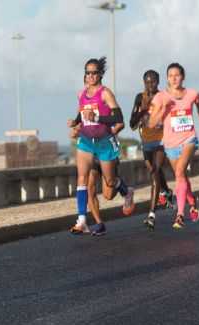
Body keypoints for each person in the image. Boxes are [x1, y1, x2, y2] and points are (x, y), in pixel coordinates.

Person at [68, 57, 135, 235]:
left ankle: (126, 191)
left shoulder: (106, 94)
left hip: (105, 143)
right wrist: (75, 125)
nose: (90, 76)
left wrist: (97, 119)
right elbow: (81, 116)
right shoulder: (80, 94)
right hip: (86, 142)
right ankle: (82, 220)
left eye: (94, 73)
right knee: (83, 180)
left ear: (100, 74)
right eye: (87, 73)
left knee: (109, 185)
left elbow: (119, 119)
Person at [148, 63, 199, 229]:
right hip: (170, 144)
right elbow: (152, 123)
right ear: (167, 78)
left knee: (180, 172)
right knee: (181, 177)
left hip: (189, 139)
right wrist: (163, 109)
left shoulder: (192, 93)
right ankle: (192, 201)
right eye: (170, 75)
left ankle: (180, 215)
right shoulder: (160, 97)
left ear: (183, 77)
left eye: (177, 75)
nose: (174, 78)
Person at [130, 70, 173, 230]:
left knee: (155, 170)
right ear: (143, 83)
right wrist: (143, 110)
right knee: (155, 171)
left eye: (153, 82)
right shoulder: (139, 98)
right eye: (147, 82)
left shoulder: (164, 97)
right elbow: (132, 123)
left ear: (158, 82)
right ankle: (167, 192)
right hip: (146, 141)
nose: (150, 85)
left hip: (162, 140)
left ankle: (151, 214)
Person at [69, 122, 124, 236]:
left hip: (106, 153)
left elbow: (119, 124)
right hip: (91, 156)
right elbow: (74, 133)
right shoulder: (83, 114)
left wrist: (111, 132)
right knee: (89, 188)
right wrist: (75, 131)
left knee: (108, 195)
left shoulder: (105, 109)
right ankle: (100, 224)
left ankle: (118, 182)